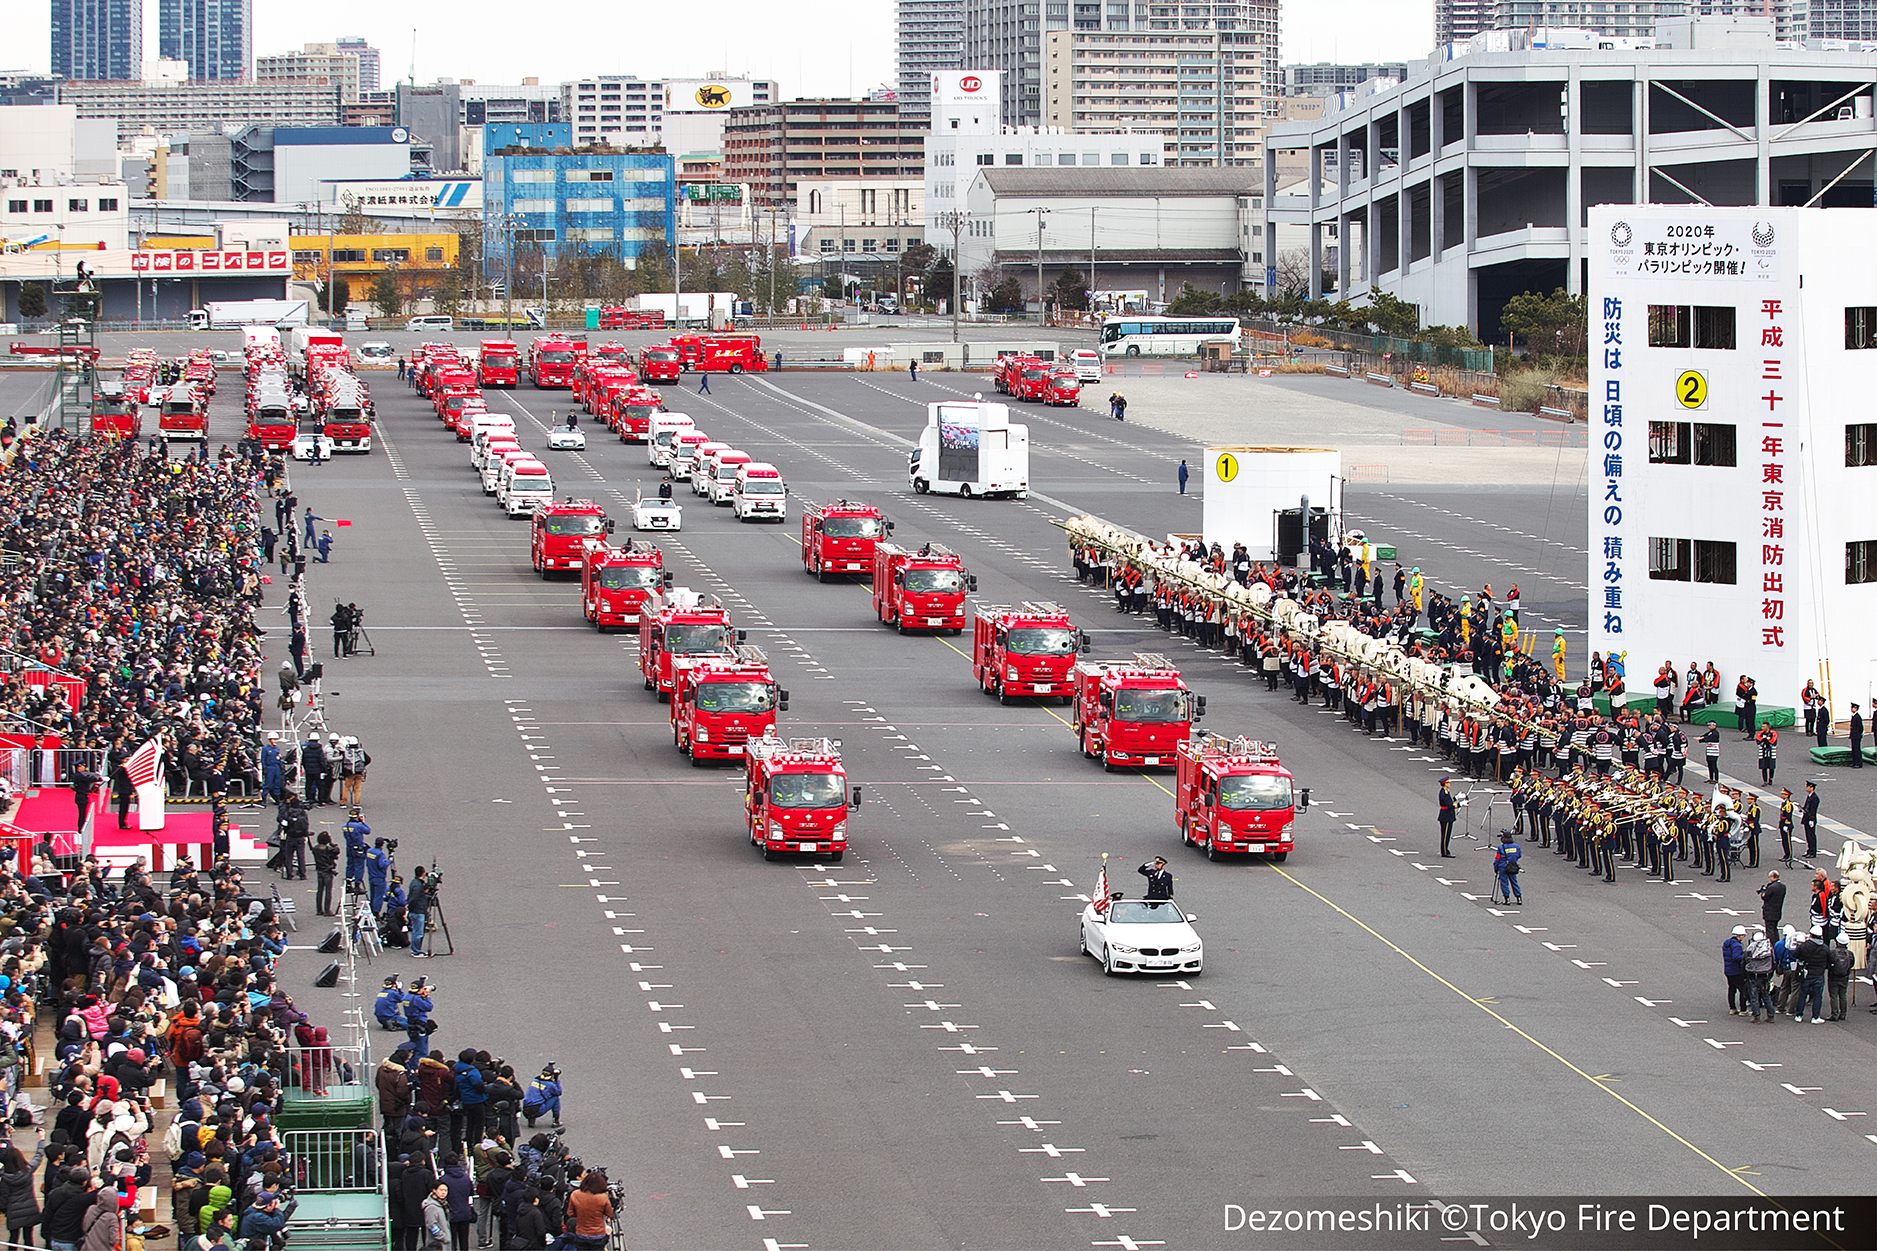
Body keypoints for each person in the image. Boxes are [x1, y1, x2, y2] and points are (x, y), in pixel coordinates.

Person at [552, 1173, 613, 1251]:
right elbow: (609, 1213)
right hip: (597, 1234)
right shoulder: (602, 1197)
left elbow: (570, 1213)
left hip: (581, 1233)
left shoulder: (575, 1194)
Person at [1743, 925, 1775, 1023]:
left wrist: (1744, 975)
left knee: (1754, 997)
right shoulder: (1768, 950)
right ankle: (1771, 1015)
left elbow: (1744, 962)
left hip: (1753, 975)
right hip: (1765, 975)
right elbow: (1773, 963)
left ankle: (1756, 1016)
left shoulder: (1750, 949)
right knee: (1766, 995)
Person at [522, 1065, 561, 1129]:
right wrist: (556, 1080)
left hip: (526, 1110)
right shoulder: (550, 1085)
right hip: (538, 1110)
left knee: (534, 1099)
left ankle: (531, 1120)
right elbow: (558, 1092)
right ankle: (556, 1121)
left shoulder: (534, 1081)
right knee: (555, 1098)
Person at [408, 866, 434, 959]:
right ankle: (416, 951)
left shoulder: (415, 882)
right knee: (418, 932)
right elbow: (414, 898)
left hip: (415, 910)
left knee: (416, 931)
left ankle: (415, 949)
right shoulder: (418, 886)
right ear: (422, 873)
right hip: (418, 911)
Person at [1722, 925, 1748, 1015]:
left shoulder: (1727, 942)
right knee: (1743, 989)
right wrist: (1745, 957)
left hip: (1728, 970)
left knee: (1732, 989)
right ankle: (1743, 1009)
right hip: (1736, 971)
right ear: (1739, 935)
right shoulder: (1737, 945)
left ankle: (1732, 1008)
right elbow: (1736, 957)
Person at [313, 832, 340, 916]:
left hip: (319, 870)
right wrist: (332, 844)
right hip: (327, 871)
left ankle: (319, 909)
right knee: (328, 891)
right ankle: (327, 910)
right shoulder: (329, 849)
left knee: (320, 890)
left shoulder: (315, 848)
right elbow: (337, 851)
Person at [1493, 831, 1522, 904]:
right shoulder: (1516, 846)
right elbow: (1519, 855)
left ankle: (1507, 899)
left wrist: (1495, 867)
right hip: (1512, 866)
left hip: (1503, 867)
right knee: (1514, 882)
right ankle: (1518, 898)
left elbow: (1498, 858)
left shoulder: (1501, 847)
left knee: (1504, 883)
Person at [422, 1180, 449, 1251]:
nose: (443, 1192)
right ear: (434, 1190)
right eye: (441, 1190)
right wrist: (443, 1237)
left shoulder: (442, 1204)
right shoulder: (431, 1207)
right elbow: (431, 1225)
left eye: (445, 1190)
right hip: (436, 1244)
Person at [1760, 869, 1786, 937]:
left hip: (1769, 912)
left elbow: (1765, 897)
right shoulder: (1783, 887)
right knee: (1774, 929)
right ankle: (1776, 943)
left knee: (1769, 930)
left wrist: (1763, 892)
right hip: (1778, 911)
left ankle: (1771, 944)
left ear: (1772, 876)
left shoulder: (1771, 888)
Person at [1437, 777, 1457, 857]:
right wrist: (1460, 804)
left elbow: (1449, 801)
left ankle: (1445, 850)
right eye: (1448, 783)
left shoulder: (1445, 792)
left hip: (1446, 815)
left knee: (1446, 834)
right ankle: (1444, 851)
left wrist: (1456, 798)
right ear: (1445, 784)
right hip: (1446, 816)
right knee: (1446, 835)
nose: (1449, 784)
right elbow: (1449, 805)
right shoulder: (1444, 793)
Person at [1801, 781, 1820, 858]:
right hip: (1806, 818)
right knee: (1808, 836)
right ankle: (1809, 850)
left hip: (1810, 819)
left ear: (1812, 788)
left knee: (1811, 835)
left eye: (1808, 787)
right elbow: (1807, 807)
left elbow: (1813, 810)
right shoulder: (1809, 796)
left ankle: (1813, 851)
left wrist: (1812, 819)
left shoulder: (1815, 798)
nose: (1806, 788)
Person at [1851, 703, 1865, 768]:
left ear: (1856, 708)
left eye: (1853, 708)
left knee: (1857, 750)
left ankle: (1859, 763)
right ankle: (1855, 762)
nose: (1852, 709)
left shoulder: (1857, 717)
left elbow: (1860, 727)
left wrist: (1858, 734)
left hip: (1856, 736)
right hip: (1854, 735)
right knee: (1854, 749)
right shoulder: (1854, 716)